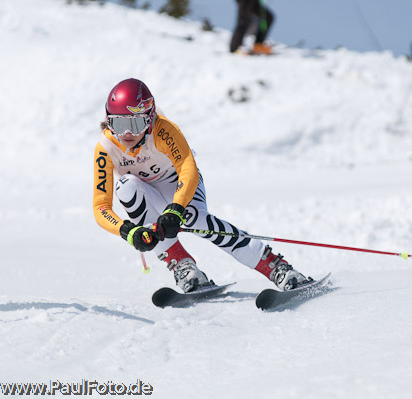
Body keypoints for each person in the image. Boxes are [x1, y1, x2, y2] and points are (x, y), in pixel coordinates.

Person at [93, 78, 309, 293]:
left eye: (135, 124)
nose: (126, 134)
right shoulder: (105, 148)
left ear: (149, 119)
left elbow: (188, 167)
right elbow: (101, 206)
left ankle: (276, 267)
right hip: (145, 192)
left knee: (194, 218)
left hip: (178, 185)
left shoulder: (163, 130)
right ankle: (183, 266)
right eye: (119, 124)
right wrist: (127, 231)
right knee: (126, 187)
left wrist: (176, 208)